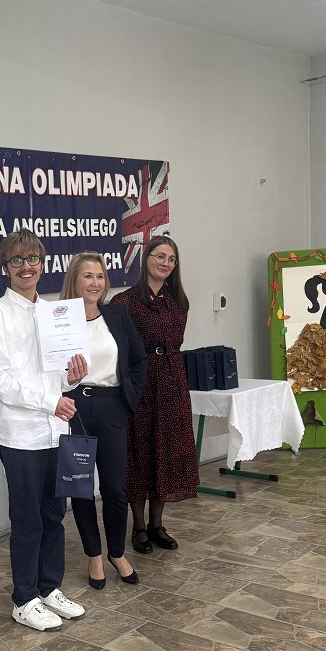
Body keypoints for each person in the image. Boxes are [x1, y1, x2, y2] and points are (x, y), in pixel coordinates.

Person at [0, 232, 89, 631]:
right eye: (17, 260)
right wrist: (49, 402)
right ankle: (24, 599)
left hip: (55, 431)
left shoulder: (55, 314)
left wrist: (73, 378)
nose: (26, 267)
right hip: (20, 436)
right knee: (27, 520)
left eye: (33, 259)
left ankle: (48, 587)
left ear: (43, 263)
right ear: (5, 267)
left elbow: (59, 376)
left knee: (54, 515)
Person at [60, 252, 147, 589]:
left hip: (112, 406)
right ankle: (94, 555)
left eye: (100, 276)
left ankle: (116, 553)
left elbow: (138, 361)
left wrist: (128, 401)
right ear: (74, 280)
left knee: (114, 487)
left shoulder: (117, 315)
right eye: (88, 276)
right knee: (81, 487)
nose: (95, 282)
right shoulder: (59, 319)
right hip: (75, 408)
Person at [113, 234, 198, 554]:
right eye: (159, 256)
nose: (165, 263)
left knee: (166, 451)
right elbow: (116, 349)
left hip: (172, 383)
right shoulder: (124, 302)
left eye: (171, 259)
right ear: (146, 258)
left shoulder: (178, 301)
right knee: (139, 453)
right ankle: (138, 527)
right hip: (140, 385)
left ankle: (157, 524)